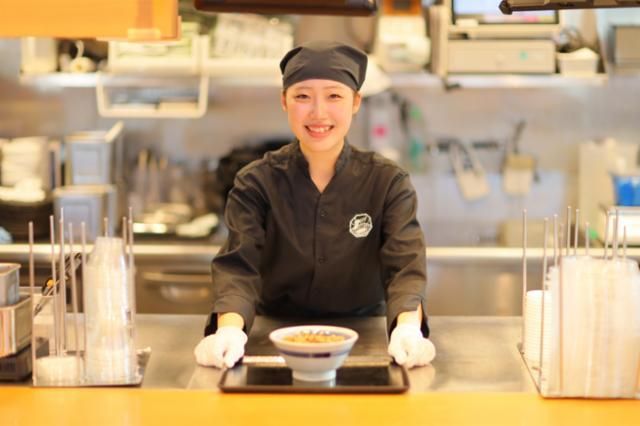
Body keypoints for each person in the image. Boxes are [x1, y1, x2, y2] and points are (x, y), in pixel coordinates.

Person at [194, 41, 435, 369]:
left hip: (367, 336)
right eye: (303, 96)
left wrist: (407, 328)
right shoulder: (256, 182)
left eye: (334, 96)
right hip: (273, 335)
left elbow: (405, 267)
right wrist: (229, 331)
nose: (318, 113)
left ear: (356, 102)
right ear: (284, 101)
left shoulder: (387, 182)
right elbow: (239, 267)